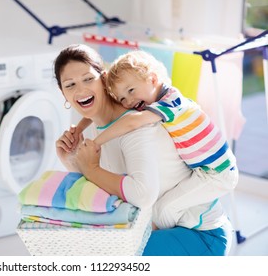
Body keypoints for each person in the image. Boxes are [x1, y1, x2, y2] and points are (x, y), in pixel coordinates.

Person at [54, 44, 233, 256]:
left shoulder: (135, 125)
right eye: (70, 85)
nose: (81, 90)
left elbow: (142, 195)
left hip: (201, 234)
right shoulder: (98, 127)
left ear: (103, 79)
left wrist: (91, 167)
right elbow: (108, 189)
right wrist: (72, 160)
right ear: (63, 93)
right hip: (165, 226)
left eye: (88, 79)